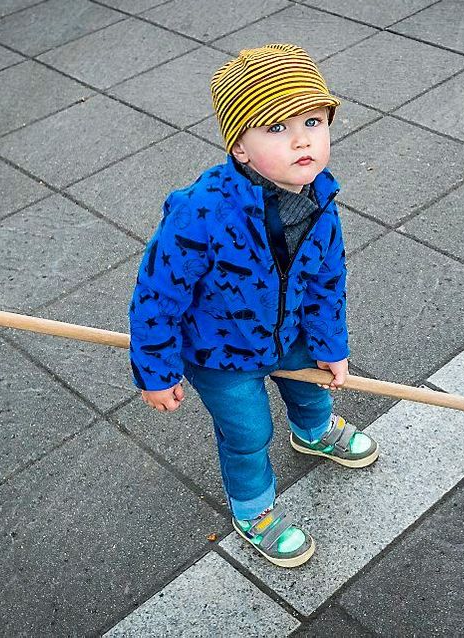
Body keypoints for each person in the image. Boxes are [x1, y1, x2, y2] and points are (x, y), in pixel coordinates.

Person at [129, 44, 378, 568]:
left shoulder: (319, 200)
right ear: (239, 148)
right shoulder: (201, 211)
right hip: (219, 354)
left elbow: (327, 280)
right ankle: (254, 511)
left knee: (313, 393)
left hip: (289, 334)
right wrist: (155, 370)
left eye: (312, 120)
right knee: (247, 434)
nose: (302, 138)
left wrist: (331, 343)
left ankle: (313, 434)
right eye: (276, 128)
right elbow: (157, 293)